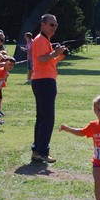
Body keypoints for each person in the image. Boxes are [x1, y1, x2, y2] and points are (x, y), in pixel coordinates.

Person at [31, 13, 66, 163]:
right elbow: (41, 58)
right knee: (47, 119)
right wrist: (55, 53)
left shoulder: (45, 41)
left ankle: (37, 150)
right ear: (42, 25)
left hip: (43, 80)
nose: (54, 27)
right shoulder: (40, 40)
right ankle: (42, 151)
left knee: (42, 118)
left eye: (56, 25)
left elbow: (47, 61)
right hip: (44, 81)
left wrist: (59, 56)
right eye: (51, 25)